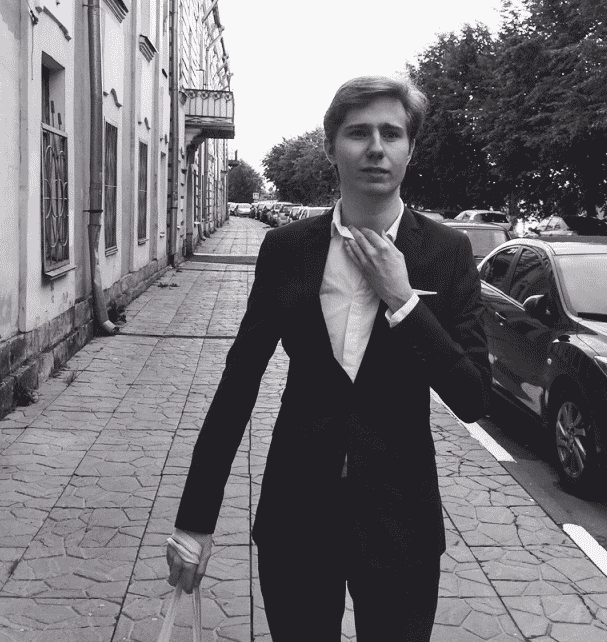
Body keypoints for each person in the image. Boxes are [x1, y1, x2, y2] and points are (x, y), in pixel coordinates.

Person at [167, 75, 491, 641]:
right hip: (297, 518)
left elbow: (472, 397)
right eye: (358, 133)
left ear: (410, 148)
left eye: (392, 133)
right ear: (331, 147)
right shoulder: (288, 250)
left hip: (401, 525)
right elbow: (238, 384)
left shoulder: (446, 252)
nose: (376, 148)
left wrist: (404, 301)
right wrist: (195, 521)